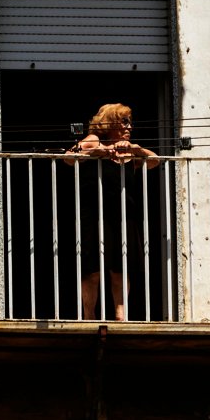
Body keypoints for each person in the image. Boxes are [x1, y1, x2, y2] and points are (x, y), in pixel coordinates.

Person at [66, 102, 160, 319]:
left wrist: (138, 150)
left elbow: (154, 161)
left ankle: (120, 313)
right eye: (124, 122)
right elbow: (69, 157)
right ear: (110, 123)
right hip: (95, 215)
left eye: (130, 123)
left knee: (121, 267)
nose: (129, 127)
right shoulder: (94, 140)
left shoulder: (128, 152)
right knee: (92, 270)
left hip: (123, 216)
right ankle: (89, 314)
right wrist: (97, 151)